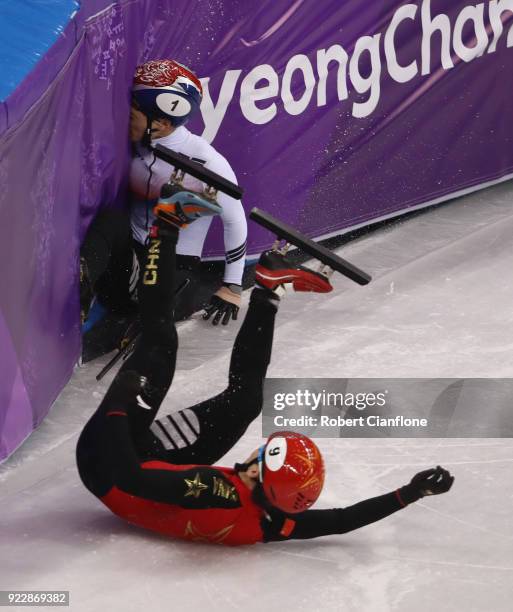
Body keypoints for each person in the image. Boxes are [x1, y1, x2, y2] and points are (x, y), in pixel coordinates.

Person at [76, 193, 454, 546]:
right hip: (145, 465)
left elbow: (128, 477)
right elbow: (338, 521)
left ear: (260, 475)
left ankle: (166, 227)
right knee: (244, 402)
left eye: (261, 460)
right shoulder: (273, 522)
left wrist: (117, 406)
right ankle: (269, 290)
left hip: (106, 461)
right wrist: (410, 493)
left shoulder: (214, 488)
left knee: (161, 342)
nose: (255, 458)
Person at [130, 59, 247, 325]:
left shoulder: (206, 162)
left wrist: (233, 285)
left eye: (132, 111)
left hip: (173, 258)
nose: (125, 116)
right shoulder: (134, 140)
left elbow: (234, 219)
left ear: (161, 122)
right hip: (132, 244)